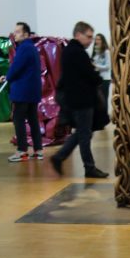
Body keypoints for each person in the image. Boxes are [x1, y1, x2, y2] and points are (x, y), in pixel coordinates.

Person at [52, 21, 108, 179]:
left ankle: (60, 157)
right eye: (88, 37)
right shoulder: (77, 52)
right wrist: (96, 76)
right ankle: (87, 167)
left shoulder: (71, 51)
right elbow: (90, 76)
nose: (91, 40)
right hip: (82, 101)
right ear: (78, 34)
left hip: (78, 100)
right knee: (84, 135)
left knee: (84, 133)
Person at [0, 22, 46, 165]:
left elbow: (16, 67)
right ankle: (38, 150)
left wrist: (6, 77)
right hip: (32, 91)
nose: (15, 34)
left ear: (26, 34)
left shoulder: (24, 48)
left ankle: (22, 150)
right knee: (32, 120)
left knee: (18, 120)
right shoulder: (32, 48)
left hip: (22, 91)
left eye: (18, 32)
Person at [92, 33, 111, 111]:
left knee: (104, 98)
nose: (97, 41)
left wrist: (96, 66)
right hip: (97, 78)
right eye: (96, 39)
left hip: (105, 78)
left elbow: (107, 66)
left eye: (99, 39)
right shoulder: (95, 52)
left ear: (103, 40)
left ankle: (105, 115)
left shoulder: (106, 52)